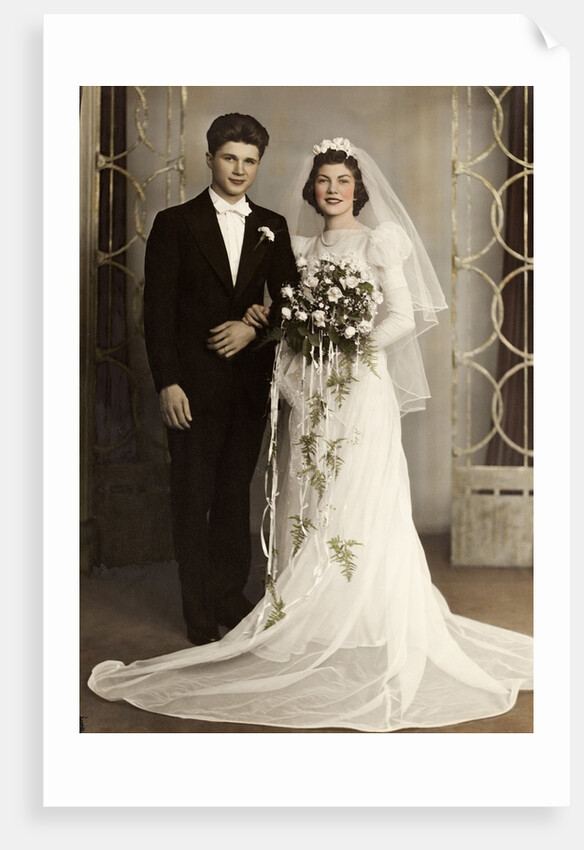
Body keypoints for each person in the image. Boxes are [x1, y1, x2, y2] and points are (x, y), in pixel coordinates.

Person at [88, 137, 533, 732]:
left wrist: (350, 348)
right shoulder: (292, 243)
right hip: (309, 390)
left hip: (357, 388)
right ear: (310, 188)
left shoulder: (381, 241)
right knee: (309, 493)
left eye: (342, 182)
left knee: (360, 493)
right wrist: (265, 323)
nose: (332, 190)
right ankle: (308, 608)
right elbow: (276, 306)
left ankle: (366, 611)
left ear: (358, 188)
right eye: (323, 180)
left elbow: (403, 316)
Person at [142, 113, 298, 646]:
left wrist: (254, 325)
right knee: (193, 495)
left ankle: (230, 594)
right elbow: (156, 312)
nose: (239, 169)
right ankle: (198, 609)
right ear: (209, 159)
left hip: (248, 387)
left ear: (259, 165)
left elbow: (293, 307)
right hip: (191, 388)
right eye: (230, 158)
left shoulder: (270, 225)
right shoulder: (175, 223)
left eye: (250, 161)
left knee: (234, 493)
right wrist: (168, 383)